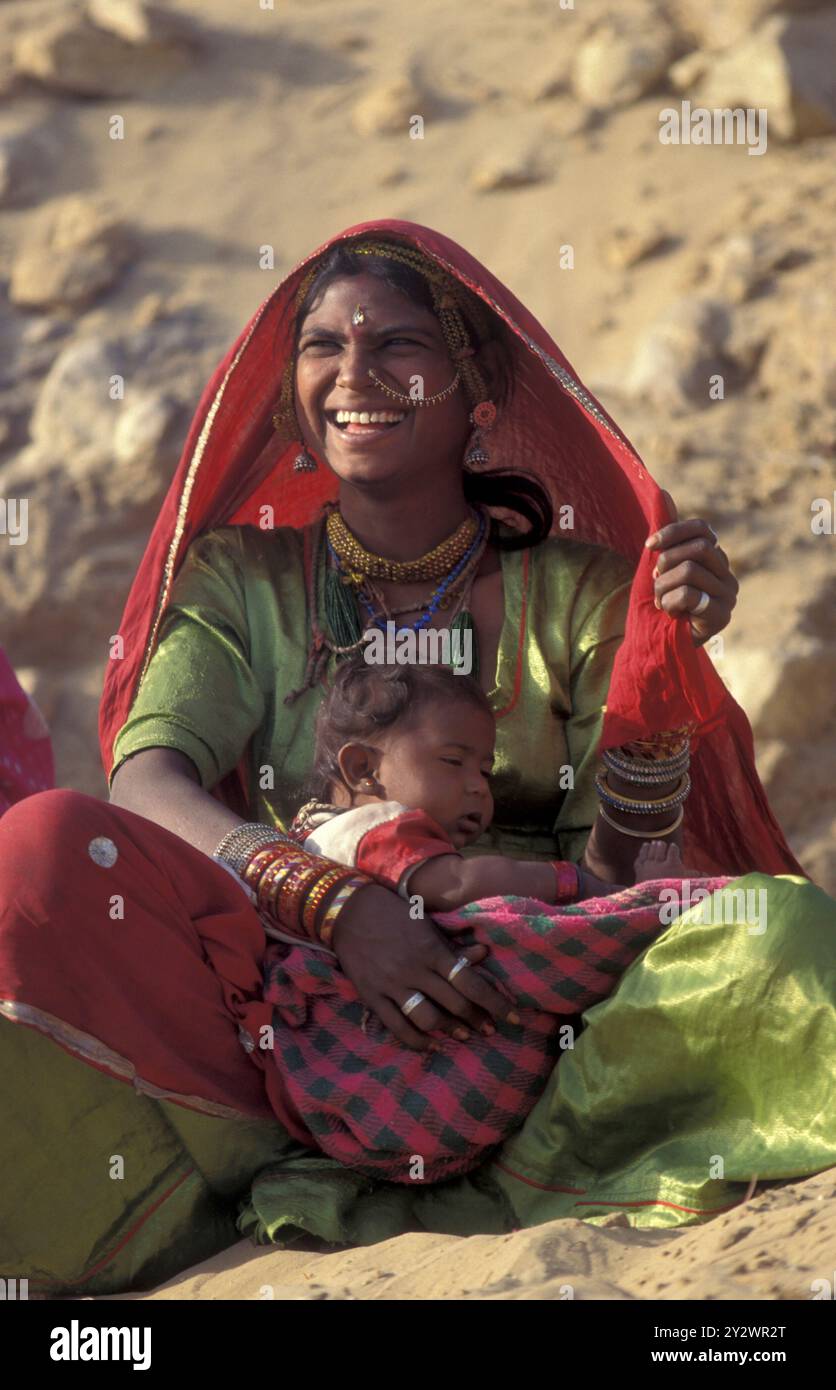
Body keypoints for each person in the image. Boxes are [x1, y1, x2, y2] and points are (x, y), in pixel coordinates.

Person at [0, 220, 832, 1296]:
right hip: (285, 1024)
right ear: (292, 393)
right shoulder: (242, 580)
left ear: (475, 396)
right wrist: (341, 910)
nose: (355, 374)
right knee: (42, 848)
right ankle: (204, 1187)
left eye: (396, 346)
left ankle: (536, 1152)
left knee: (776, 929)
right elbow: (146, 781)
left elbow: (623, 879)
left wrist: (657, 682)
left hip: (537, 1008)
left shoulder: (576, 589)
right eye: (323, 348)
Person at [257, 656, 729, 1182]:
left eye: (484, 769)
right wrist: (578, 886)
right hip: (417, 1076)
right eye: (454, 762)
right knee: (509, 926)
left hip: (364, 1104)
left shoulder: (314, 841)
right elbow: (458, 886)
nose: (480, 786)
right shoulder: (376, 826)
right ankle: (656, 905)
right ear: (364, 770)